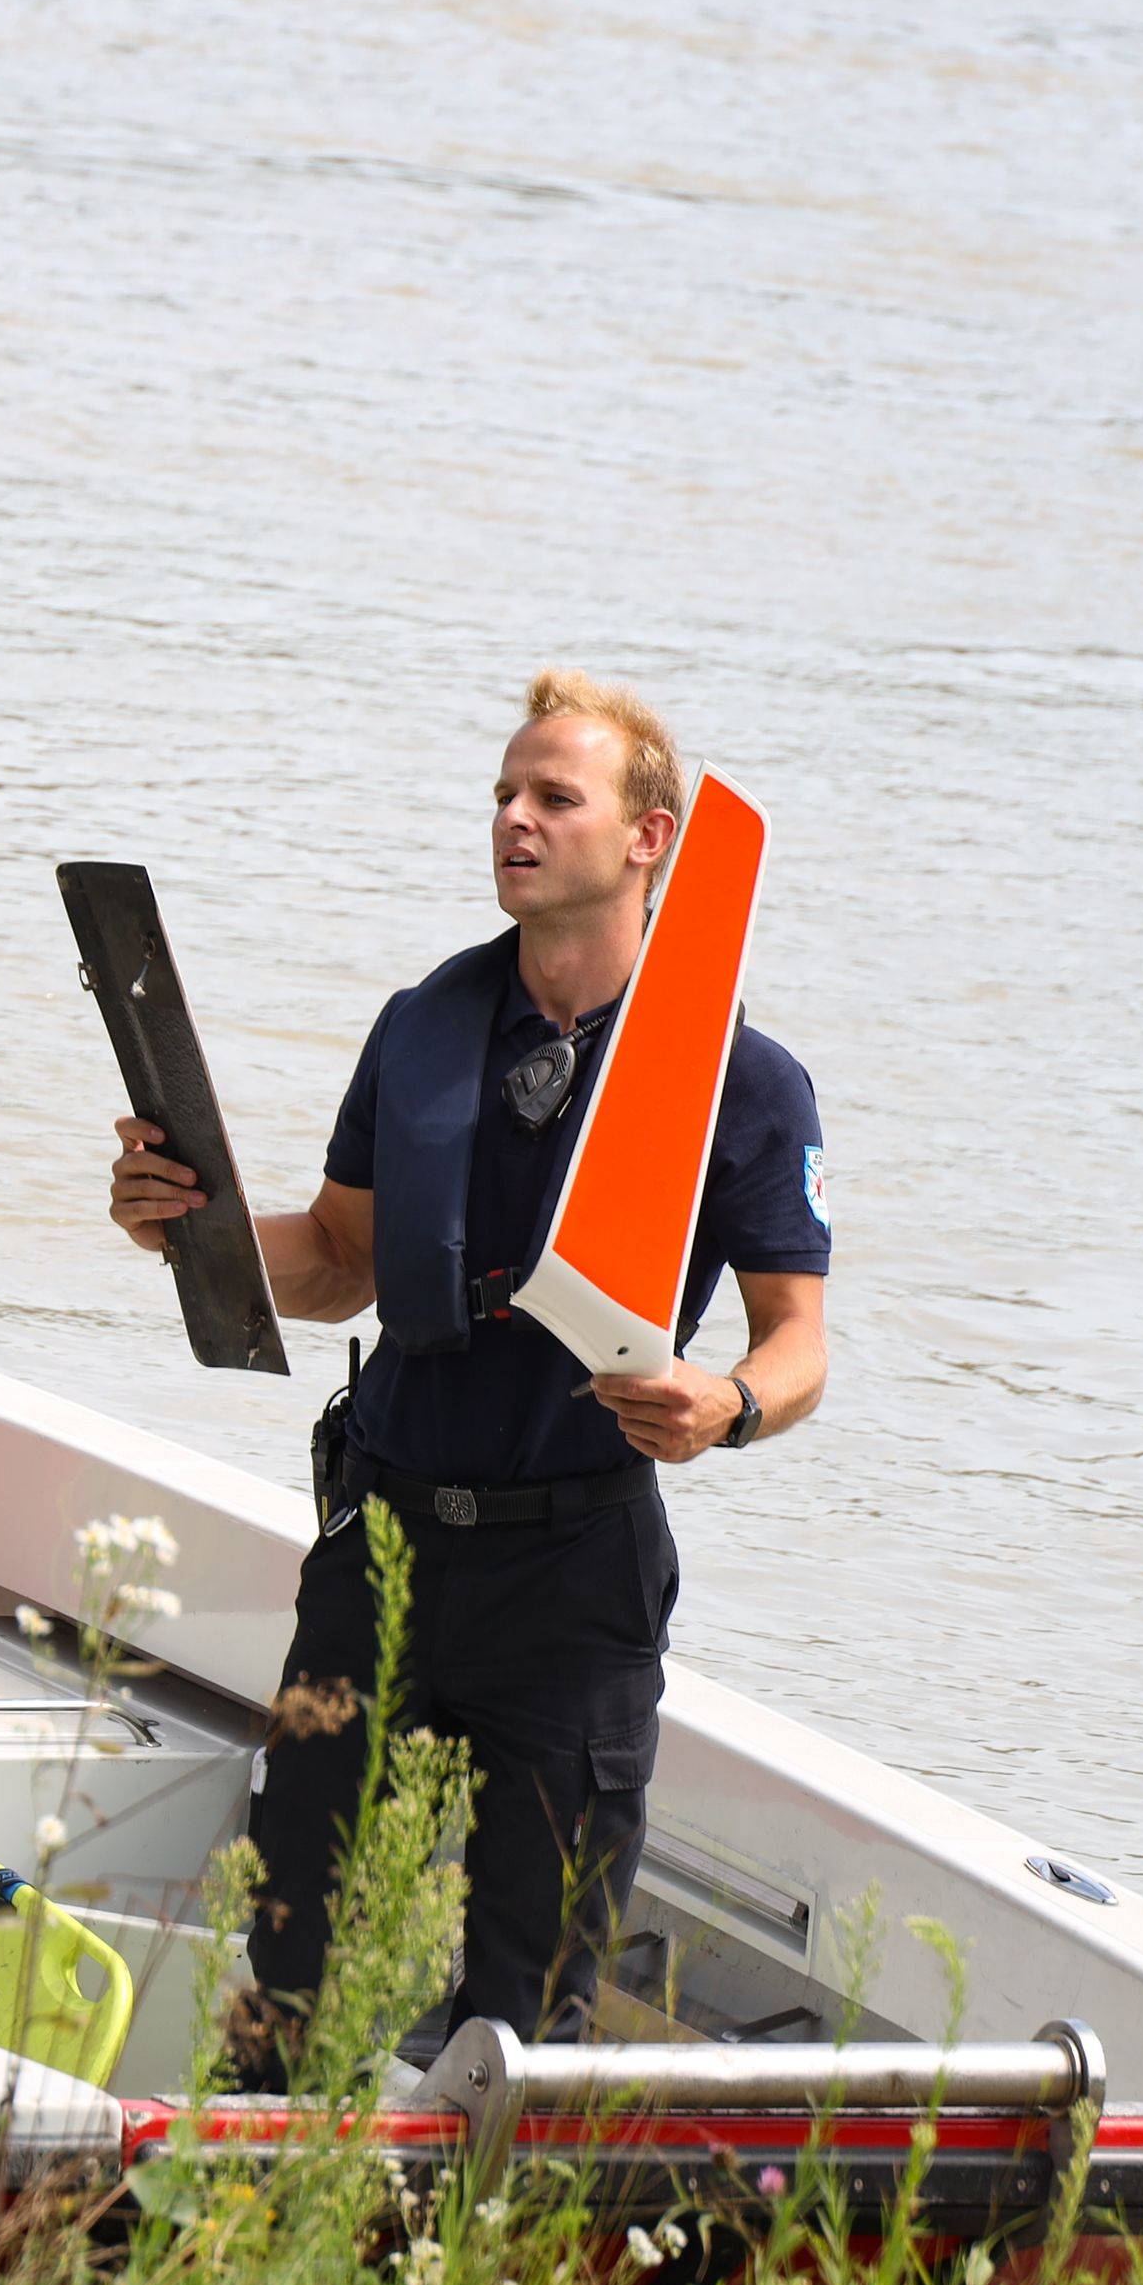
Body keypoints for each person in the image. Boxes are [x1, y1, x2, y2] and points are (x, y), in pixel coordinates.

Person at [106, 668, 831, 2073]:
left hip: (574, 1577)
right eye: (503, 792)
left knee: (527, 2009)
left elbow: (800, 1344)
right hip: (382, 1545)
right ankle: (266, 2190)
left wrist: (726, 1404)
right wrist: (188, 1229)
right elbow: (337, 1259)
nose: (513, 817)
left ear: (650, 838)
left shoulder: (743, 1081)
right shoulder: (422, 1026)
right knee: (291, 1963)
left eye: (554, 796)